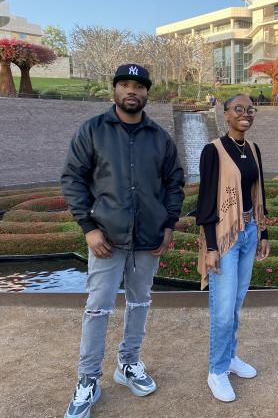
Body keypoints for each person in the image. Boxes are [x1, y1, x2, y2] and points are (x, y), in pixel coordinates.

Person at [61, 63, 185, 418]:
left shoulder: (160, 138)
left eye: (139, 86)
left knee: (140, 303)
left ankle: (128, 363)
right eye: (125, 84)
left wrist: (169, 224)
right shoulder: (93, 131)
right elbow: (73, 179)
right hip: (106, 239)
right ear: (114, 90)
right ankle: (88, 379)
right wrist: (88, 227)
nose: (132, 91)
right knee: (97, 307)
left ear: (148, 93)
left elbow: (174, 183)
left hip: (147, 239)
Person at [196, 94, 270, 402]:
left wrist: (263, 233)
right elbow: (205, 201)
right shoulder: (212, 150)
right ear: (225, 114)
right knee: (223, 310)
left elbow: (258, 191)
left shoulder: (253, 149)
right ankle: (216, 371)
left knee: (235, 304)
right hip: (225, 236)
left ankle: (229, 358)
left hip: (250, 231)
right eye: (239, 109)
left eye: (250, 109)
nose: (246, 114)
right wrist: (212, 246)